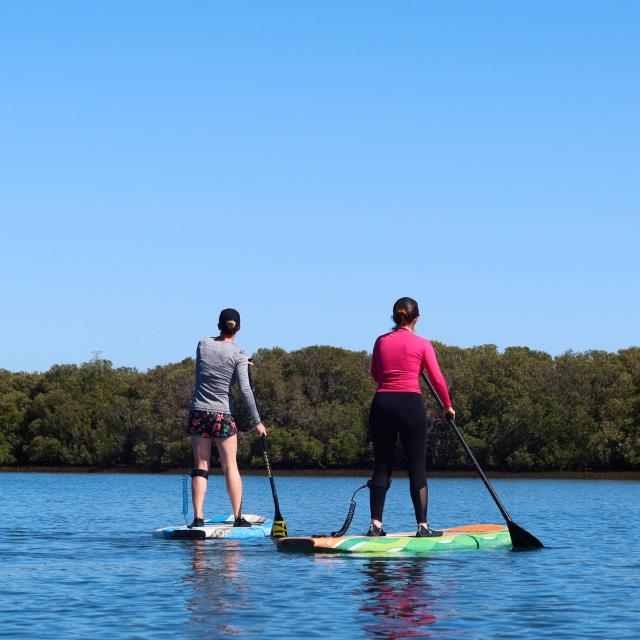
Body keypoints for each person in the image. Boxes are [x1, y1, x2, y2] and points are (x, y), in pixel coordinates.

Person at [367, 297, 455, 538]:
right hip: (410, 405)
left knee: (382, 466)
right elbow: (437, 379)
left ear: (395, 317)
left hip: (382, 404)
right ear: (416, 319)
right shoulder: (422, 344)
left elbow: (376, 374)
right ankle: (422, 527)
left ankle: (375, 526)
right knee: (416, 468)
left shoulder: (380, 341)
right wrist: (447, 406)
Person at [187, 308, 267, 528]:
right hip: (222, 414)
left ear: (218, 325)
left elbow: (209, 374)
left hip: (199, 412)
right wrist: (257, 422)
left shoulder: (202, 344)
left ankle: (198, 518)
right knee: (230, 465)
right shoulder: (239, 354)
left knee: (200, 466)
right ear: (238, 327)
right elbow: (244, 389)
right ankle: (238, 518)